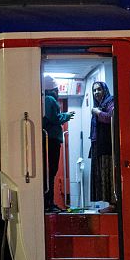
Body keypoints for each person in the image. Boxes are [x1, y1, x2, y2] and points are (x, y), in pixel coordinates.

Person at [42, 75, 74, 213]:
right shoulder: (49, 100)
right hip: (51, 140)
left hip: (51, 139)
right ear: (53, 89)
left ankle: (49, 202)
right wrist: (66, 116)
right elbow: (54, 118)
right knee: (51, 170)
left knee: (51, 171)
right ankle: (48, 203)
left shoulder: (46, 99)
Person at [89, 81, 116, 213]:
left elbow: (111, 118)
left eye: (99, 89)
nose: (96, 93)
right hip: (100, 145)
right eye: (94, 90)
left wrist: (98, 113)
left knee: (109, 174)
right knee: (102, 175)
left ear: (105, 90)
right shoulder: (99, 105)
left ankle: (114, 204)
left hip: (108, 145)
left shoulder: (110, 102)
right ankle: (110, 204)